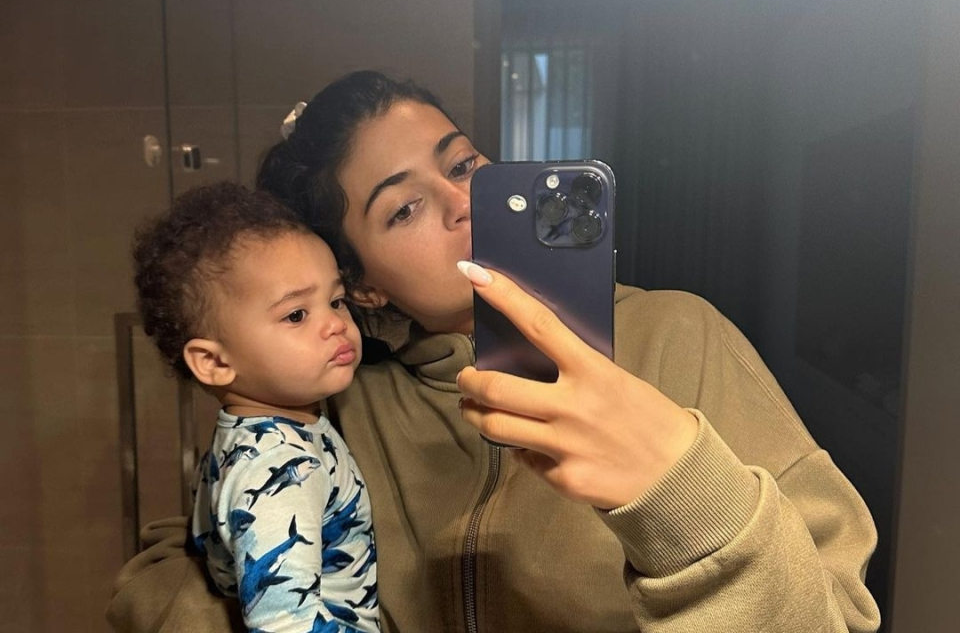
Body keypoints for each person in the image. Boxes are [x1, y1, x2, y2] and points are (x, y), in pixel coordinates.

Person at [108, 71, 881, 633]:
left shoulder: (679, 334)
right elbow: (178, 560)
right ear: (362, 287)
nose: (463, 203)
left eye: (462, 165)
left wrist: (679, 490)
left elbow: (837, 616)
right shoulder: (333, 391)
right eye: (404, 208)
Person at [130, 182, 378, 633]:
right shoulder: (279, 465)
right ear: (214, 362)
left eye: (336, 301)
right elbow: (283, 622)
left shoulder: (248, 433)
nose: (336, 324)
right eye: (296, 315)